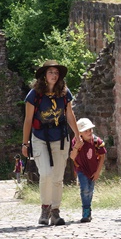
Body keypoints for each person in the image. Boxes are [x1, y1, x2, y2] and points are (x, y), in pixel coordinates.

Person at [22, 60, 80, 226]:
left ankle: (55, 211)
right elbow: (28, 119)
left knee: (57, 177)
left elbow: (69, 115)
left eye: (56, 73)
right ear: (44, 75)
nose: (54, 75)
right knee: (46, 173)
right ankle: (45, 208)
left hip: (61, 138)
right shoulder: (34, 95)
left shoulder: (64, 92)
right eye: (50, 72)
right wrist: (25, 143)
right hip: (40, 138)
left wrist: (78, 135)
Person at [70, 117, 107, 223]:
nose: (89, 132)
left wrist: (98, 172)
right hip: (81, 169)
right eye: (86, 131)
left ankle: (88, 208)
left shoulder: (96, 141)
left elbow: (102, 156)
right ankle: (85, 210)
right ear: (80, 133)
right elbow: (72, 157)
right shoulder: (76, 141)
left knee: (90, 190)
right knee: (85, 189)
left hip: (92, 170)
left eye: (90, 130)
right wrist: (76, 147)